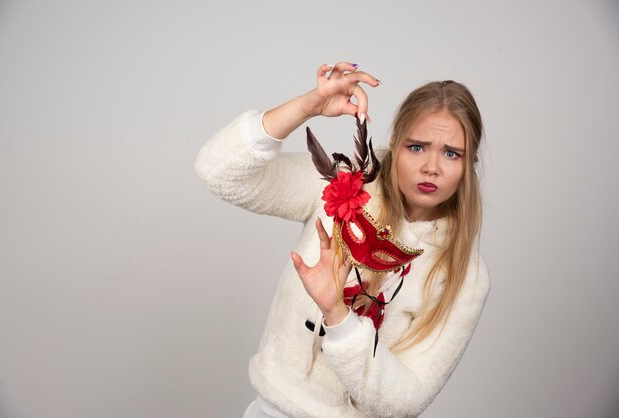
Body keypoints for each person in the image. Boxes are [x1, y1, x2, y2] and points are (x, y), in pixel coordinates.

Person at [194, 61, 491, 417]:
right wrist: (307, 106)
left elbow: (405, 400)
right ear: (395, 146)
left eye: (451, 153)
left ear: (468, 165)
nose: (432, 166)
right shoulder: (342, 187)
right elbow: (220, 173)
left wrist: (337, 315)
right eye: (417, 147)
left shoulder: (465, 276)